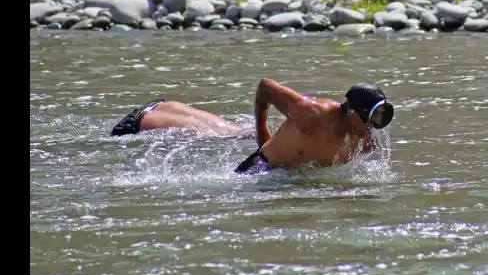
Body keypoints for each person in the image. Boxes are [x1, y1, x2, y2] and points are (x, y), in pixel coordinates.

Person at [109, 81, 395, 174]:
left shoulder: (362, 138)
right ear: (352, 114)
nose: (374, 128)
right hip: (259, 171)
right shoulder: (314, 113)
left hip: (286, 174)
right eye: (371, 119)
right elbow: (265, 88)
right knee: (213, 136)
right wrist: (262, 136)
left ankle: (165, 108)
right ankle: (151, 116)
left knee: (227, 131)